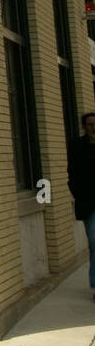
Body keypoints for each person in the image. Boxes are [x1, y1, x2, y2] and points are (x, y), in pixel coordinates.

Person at [71, 113, 95, 301]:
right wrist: (79, 195)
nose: (93, 127)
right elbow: (72, 173)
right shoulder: (78, 146)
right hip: (89, 203)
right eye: (89, 125)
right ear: (84, 127)